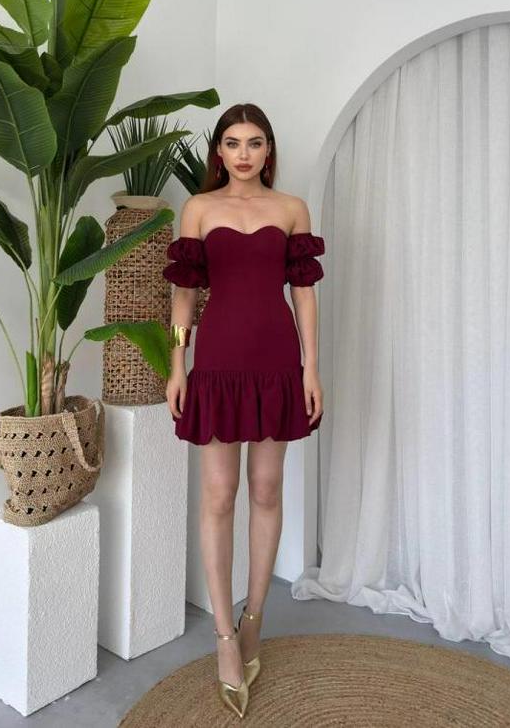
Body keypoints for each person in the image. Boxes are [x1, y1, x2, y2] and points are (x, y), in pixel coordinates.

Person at [163, 102, 325, 719]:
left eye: (255, 143)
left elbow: (304, 296)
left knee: (266, 489)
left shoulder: (292, 209)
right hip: (218, 359)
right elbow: (184, 294)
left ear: (268, 150)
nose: (244, 154)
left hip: (277, 359)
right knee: (217, 495)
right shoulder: (199, 209)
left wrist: (311, 367)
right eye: (232, 143)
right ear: (219, 152)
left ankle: (254, 618)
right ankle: (224, 637)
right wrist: (177, 364)